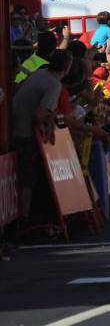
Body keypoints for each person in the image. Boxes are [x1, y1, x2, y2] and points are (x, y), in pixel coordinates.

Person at [12, 49, 73, 226]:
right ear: (67, 67)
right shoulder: (54, 85)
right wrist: (49, 123)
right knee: (29, 179)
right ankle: (24, 220)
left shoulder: (39, 73)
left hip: (15, 126)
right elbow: (40, 115)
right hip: (24, 133)